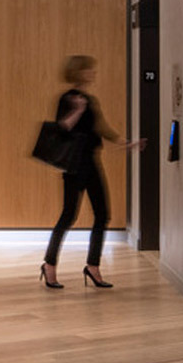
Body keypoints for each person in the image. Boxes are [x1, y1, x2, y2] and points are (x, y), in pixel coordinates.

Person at [41, 55, 142, 289]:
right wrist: (77, 110)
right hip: (74, 165)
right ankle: (49, 265)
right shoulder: (67, 99)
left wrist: (125, 142)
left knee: (102, 214)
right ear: (78, 72)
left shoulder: (89, 99)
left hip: (91, 162)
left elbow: (100, 127)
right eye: (89, 70)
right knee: (68, 216)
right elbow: (62, 128)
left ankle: (93, 266)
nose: (92, 73)